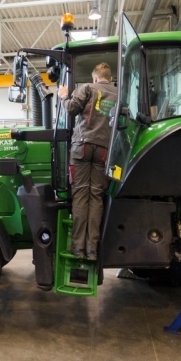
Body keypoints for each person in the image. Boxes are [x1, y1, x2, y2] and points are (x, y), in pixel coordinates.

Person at [57, 62, 117, 260]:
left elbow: (72, 109)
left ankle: (78, 248)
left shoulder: (88, 89)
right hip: (104, 150)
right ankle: (92, 250)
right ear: (109, 78)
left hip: (82, 147)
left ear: (95, 78)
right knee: (96, 197)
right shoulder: (118, 94)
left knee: (82, 196)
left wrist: (64, 95)